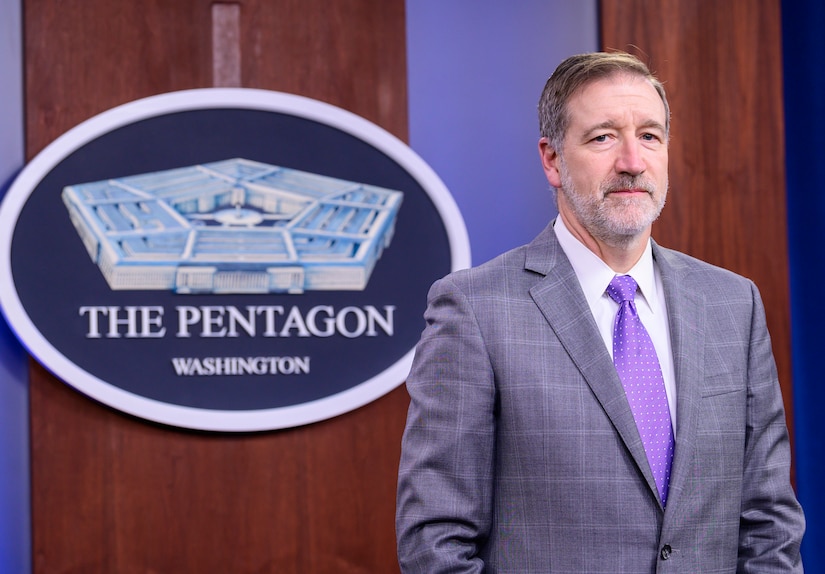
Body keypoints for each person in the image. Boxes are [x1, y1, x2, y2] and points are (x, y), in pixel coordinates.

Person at [395, 51, 805, 573]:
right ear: (552, 160)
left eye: (650, 136)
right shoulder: (475, 310)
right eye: (603, 137)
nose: (633, 161)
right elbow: (436, 542)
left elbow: (769, 521)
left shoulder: (732, 303)